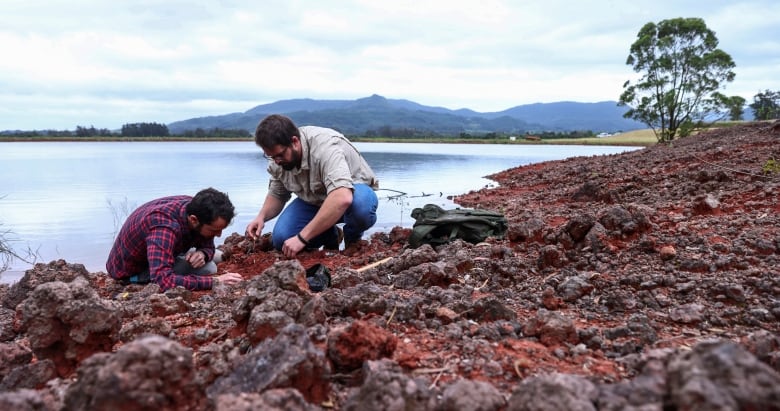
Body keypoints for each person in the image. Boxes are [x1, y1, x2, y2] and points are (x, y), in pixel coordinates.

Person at [246, 114, 379, 258]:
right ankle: (331, 235)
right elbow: (278, 194)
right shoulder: (279, 158)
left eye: (279, 155)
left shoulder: (325, 148)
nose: (276, 161)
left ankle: (353, 241)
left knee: (361, 207)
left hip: (352, 194)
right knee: (281, 239)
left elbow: (342, 197)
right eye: (271, 156)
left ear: (295, 142)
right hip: (315, 201)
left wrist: (302, 238)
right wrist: (261, 217)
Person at [106, 187, 243, 292]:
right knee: (209, 268)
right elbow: (162, 280)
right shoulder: (164, 227)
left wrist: (203, 253)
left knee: (216, 255)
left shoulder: (195, 207)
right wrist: (215, 282)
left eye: (221, 230)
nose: (219, 235)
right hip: (131, 271)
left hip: (163, 248)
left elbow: (207, 245)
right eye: (214, 230)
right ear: (194, 220)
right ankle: (136, 280)